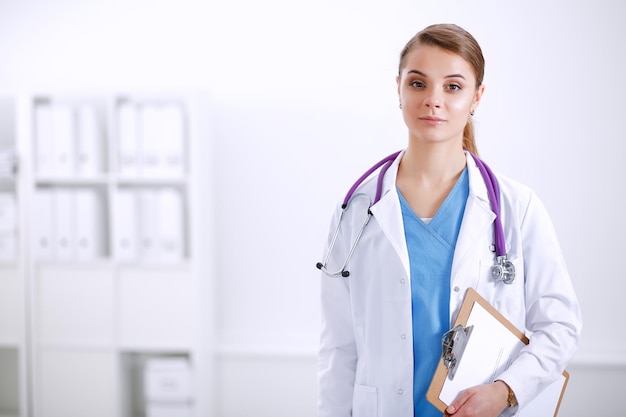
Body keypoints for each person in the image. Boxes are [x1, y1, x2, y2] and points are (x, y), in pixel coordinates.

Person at [317, 23, 582, 417]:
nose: (433, 100)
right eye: (418, 83)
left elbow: (560, 327)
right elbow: (339, 348)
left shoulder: (516, 207)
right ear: (399, 89)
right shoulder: (357, 212)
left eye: (453, 87)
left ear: (477, 97)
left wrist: (506, 390)